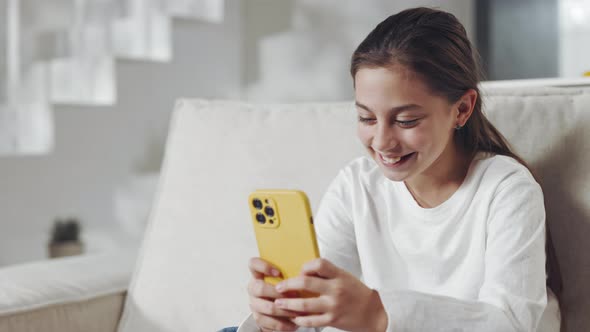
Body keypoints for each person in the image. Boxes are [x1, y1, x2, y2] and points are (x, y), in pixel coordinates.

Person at [236, 7, 561, 332]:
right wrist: (278, 318)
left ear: (461, 109)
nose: (381, 141)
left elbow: (510, 323)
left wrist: (379, 314)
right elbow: (315, 304)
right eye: (366, 118)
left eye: (406, 120)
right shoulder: (356, 186)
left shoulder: (507, 189)